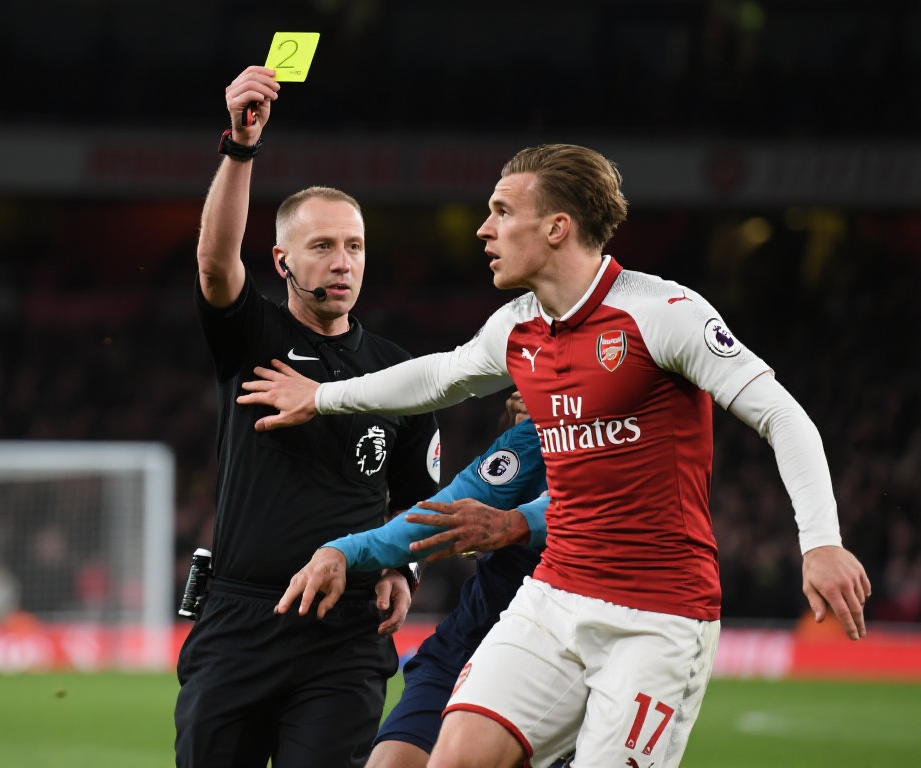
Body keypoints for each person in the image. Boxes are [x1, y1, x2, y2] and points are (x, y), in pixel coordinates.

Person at [236, 143, 871, 768]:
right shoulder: (518, 324)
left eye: (502, 212)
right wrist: (322, 397)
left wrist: (821, 542)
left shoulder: (662, 313)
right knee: (453, 758)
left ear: (557, 227)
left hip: (657, 616)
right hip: (556, 595)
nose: (484, 229)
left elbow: (783, 415)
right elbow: (437, 377)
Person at [173, 65, 441, 768]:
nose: (341, 262)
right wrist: (240, 147)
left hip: (343, 634)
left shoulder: (399, 373)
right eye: (322, 246)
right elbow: (213, 264)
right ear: (282, 259)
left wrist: (404, 568)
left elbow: (422, 500)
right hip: (239, 620)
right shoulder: (251, 337)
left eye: (354, 246)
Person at [277, 391, 548, 768]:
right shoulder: (534, 436)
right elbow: (439, 514)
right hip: (472, 642)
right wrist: (341, 551)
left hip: (569, 654)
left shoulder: (628, 444)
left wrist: (518, 523)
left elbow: (594, 508)